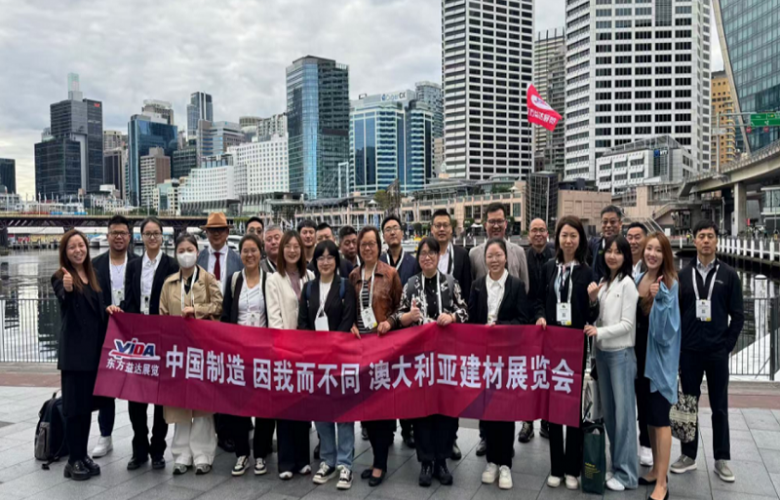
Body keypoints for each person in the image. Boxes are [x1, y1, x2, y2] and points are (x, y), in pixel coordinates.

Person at [391, 237, 468, 488]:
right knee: (422, 410)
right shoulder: (411, 284)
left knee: (445, 410)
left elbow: (465, 311)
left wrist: (452, 317)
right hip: (420, 359)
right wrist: (407, 317)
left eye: (431, 253)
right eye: (422, 253)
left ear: (438, 256)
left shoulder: (451, 282)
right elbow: (398, 314)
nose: (427, 257)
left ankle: (442, 460)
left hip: (445, 359)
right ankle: (425, 461)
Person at [671, 220, 743, 483]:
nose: (705, 240)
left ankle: (721, 458)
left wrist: (726, 346)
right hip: (689, 351)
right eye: (701, 236)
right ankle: (688, 455)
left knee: (719, 406)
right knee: (688, 405)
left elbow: (738, 316)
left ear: (716, 241)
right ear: (694, 240)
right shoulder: (682, 276)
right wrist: (678, 349)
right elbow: (676, 315)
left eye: (710, 236)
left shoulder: (729, 275)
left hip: (716, 352)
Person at [535, 216, 599, 491]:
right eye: (564, 235)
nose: (568, 240)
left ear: (580, 239)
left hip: (575, 346)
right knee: (553, 407)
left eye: (573, 235)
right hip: (552, 344)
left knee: (572, 407)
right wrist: (540, 316)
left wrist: (594, 300)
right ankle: (556, 467)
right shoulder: (549, 267)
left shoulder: (587, 272)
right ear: (558, 238)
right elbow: (538, 299)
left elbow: (592, 315)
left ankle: (572, 467)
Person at [469, 238, 531, 491]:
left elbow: (523, 320)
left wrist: (499, 328)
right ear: (484, 259)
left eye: (498, 255)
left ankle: (505, 463)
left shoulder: (516, 285)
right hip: (484, 358)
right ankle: (491, 461)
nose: (494, 260)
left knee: (505, 411)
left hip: (507, 358)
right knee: (488, 410)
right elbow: (471, 320)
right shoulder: (477, 286)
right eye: (490, 256)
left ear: (506, 257)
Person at [160, 233, 223, 475]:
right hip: (177, 351)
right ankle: (181, 454)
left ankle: (203, 453)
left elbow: (219, 306)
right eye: (181, 250)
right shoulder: (169, 283)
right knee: (179, 404)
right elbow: (162, 315)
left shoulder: (208, 279)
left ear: (197, 252)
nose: (186, 254)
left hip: (203, 350)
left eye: (190, 249)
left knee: (203, 404)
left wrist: (197, 310)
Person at [299, 240, 358, 491]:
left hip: (340, 358)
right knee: (322, 411)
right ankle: (328, 460)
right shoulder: (308, 288)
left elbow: (348, 320)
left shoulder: (345, 287)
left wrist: (331, 348)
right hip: (316, 360)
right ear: (315, 262)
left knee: (343, 412)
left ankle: (345, 463)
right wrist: (314, 349)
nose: (325, 262)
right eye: (320, 258)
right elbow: (303, 322)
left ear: (336, 260)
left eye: (330, 257)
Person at [51, 230, 108, 481]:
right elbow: (63, 298)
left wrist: (108, 309)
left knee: (86, 408)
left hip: (93, 354)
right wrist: (68, 289)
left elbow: (97, 309)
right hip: (74, 356)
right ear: (65, 252)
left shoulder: (93, 275)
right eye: (72, 247)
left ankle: (82, 455)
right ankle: (72, 460)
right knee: (74, 409)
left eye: (81, 245)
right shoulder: (60, 276)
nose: (78, 250)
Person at [121, 217, 178, 471]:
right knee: (136, 397)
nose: (152, 238)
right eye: (148, 234)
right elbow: (129, 299)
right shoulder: (133, 265)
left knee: (160, 397)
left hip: (163, 337)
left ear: (162, 237)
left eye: (156, 233)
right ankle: (139, 448)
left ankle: (157, 450)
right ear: (141, 237)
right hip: (139, 338)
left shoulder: (171, 265)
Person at [349, 226, 402, 487]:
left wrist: (389, 322)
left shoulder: (390, 274)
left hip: (383, 350)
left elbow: (400, 308)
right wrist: (351, 324)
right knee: (367, 410)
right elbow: (350, 309)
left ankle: (381, 463)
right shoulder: (353, 276)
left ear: (379, 247)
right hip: (360, 351)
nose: (367, 248)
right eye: (363, 244)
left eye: (372, 243)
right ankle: (375, 459)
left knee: (381, 410)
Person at [586, 235, 638, 491]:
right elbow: (600, 316)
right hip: (603, 354)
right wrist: (593, 301)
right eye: (609, 251)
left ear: (625, 256)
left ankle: (627, 474)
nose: (612, 256)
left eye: (618, 252)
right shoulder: (605, 282)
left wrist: (599, 332)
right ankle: (616, 465)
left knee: (624, 416)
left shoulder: (628, 284)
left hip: (621, 355)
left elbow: (627, 325)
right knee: (610, 415)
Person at [220, 234, 275, 478]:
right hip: (238, 353)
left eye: (254, 250)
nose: (249, 255)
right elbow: (226, 314)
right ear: (240, 254)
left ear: (260, 253)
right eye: (245, 251)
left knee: (264, 405)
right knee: (238, 405)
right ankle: (242, 453)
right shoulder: (234, 280)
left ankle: (260, 454)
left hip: (263, 353)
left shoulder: (269, 280)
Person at [267, 230, 315, 479]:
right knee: (285, 407)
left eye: (297, 246)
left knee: (303, 407)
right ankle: (286, 462)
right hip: (285, 351)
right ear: (282, 250)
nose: (293, 250)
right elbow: (274, 317)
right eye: (288, 246)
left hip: (307, 351)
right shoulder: (274, 279)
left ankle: (302, 460)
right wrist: (285, 348)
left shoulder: (311, 276)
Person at [635, 232, 680, 500]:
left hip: (659, 363)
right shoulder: (640, 278)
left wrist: (660, 300)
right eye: (649, 249)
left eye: (658, 250)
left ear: (666, 255)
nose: (652, 254)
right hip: (639, 361)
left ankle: (662, 483)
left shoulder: (670, 284)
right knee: (650, 419)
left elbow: (666, 333)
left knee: (662, 420)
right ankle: (654, 469)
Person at [91, 215, 138, 458]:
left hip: (132, 335)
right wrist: (104, 309)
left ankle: (139, 440)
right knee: (106, 387)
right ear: (108, 236)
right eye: (114, 233)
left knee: (135, 388)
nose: (118, 237)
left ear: (129, 237)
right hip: (104, 332)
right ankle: (105, 435)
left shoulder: (139, 263)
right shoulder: (95, 265)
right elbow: (89, 299)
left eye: (123, 233)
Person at [196, 212, 242, 452]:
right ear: (206, 233)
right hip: (204, 327)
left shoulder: (238, 259)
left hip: (229, 328)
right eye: (212, 230)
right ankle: (212, 428)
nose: (216, 234)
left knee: (228, 379)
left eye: (220, 230)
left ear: (227, 232)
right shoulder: (198, 258)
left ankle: (226, 432)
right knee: (209, 378)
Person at [431, 208, 470, 460]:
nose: (442, 229)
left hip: (454, 332)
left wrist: (458, 320)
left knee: (452, 387)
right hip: (429, 336)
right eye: (438, 225)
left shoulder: (462, 256)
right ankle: (432, 439)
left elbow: (467, 291)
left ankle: (452, 438)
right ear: (432, 229)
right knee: (431, 387)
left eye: (446, 225)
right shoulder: (425, 254)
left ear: (451, 229)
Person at [379, 214, 420, 448]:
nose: (392, 232)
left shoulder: (413, 262)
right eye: (388, 229)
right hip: (384, 330)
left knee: (405, 380)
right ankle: (386, 428)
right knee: (385, 380)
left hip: (406, 330)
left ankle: (407, 427)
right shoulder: (378, 262)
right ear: (383, 235)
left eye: (396, 228)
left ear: (402, 233)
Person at [517, 217, 554, 445]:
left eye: (542, 230)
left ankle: (548, 419)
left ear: (547, 233)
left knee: (550, 373)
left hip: (553, 325)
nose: (538, 234)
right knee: (528, 375)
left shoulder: (556, 256)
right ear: (529, 234)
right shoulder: (523, 257)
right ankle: (528, 421)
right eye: (534, 230)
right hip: (529, 323)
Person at [625, 222, 652, 466]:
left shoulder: (651, 267)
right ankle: (624, 443)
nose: (633, 241)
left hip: (643, 339)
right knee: (623, 394)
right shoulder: (619, 264)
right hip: (622, 339)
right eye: (629, 237)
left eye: (637, 237)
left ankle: (646, 442)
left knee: (643, 392)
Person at [588, 205, 623, 283]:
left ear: (620, 223)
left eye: (612, 222)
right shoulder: (593, 245)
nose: (608, 225)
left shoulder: (626, 247)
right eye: (605, 222)